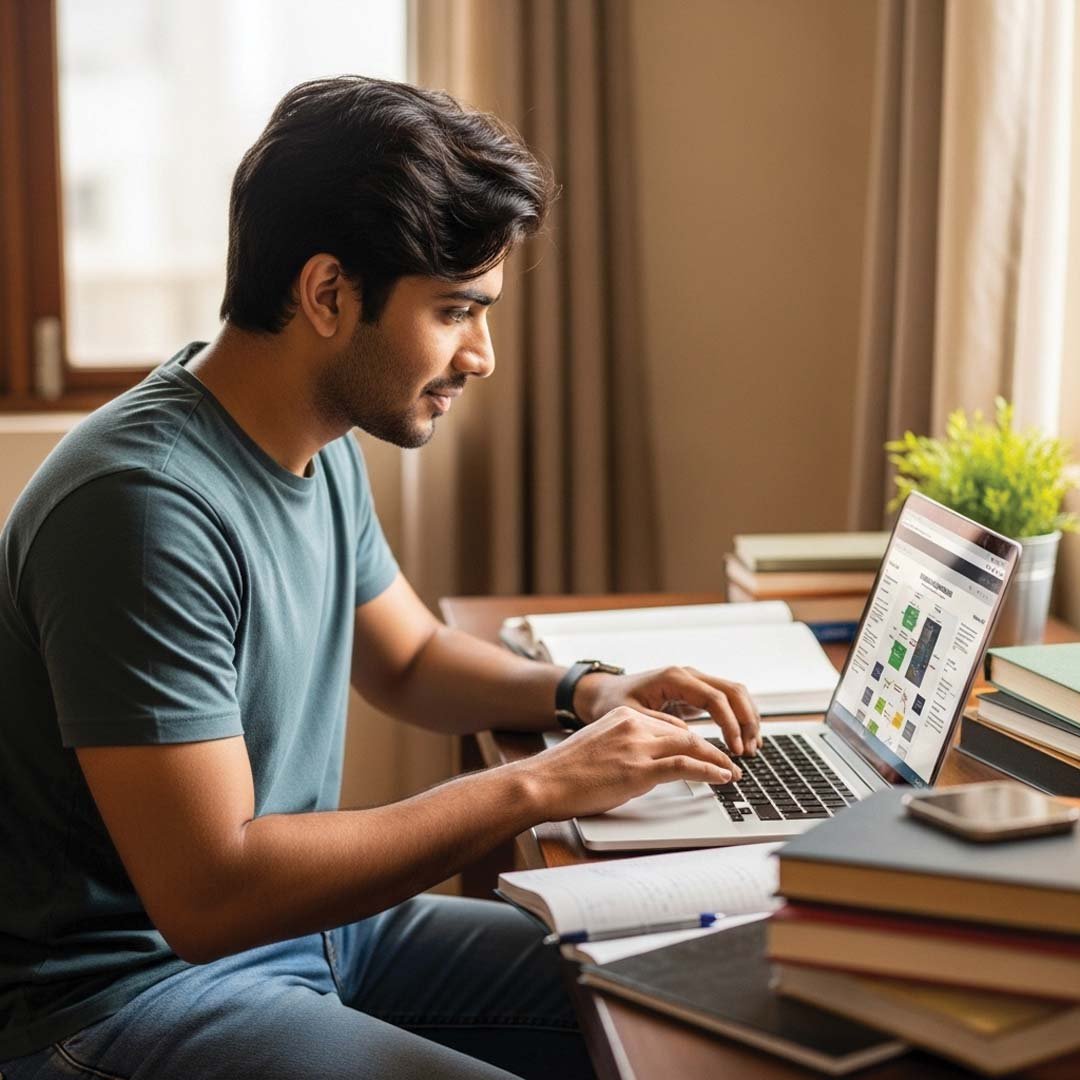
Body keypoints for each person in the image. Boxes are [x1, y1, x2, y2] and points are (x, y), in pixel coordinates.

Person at [0, 76, 758, 1080]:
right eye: (454, 311)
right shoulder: (141, 509)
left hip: (314, 936)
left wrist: (585, 692)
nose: (482, 357)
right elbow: (210, 895)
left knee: (711, 988)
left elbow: (408, 660)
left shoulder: (315, 439)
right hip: (127, 994)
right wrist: (541, 783)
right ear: (327, 294)